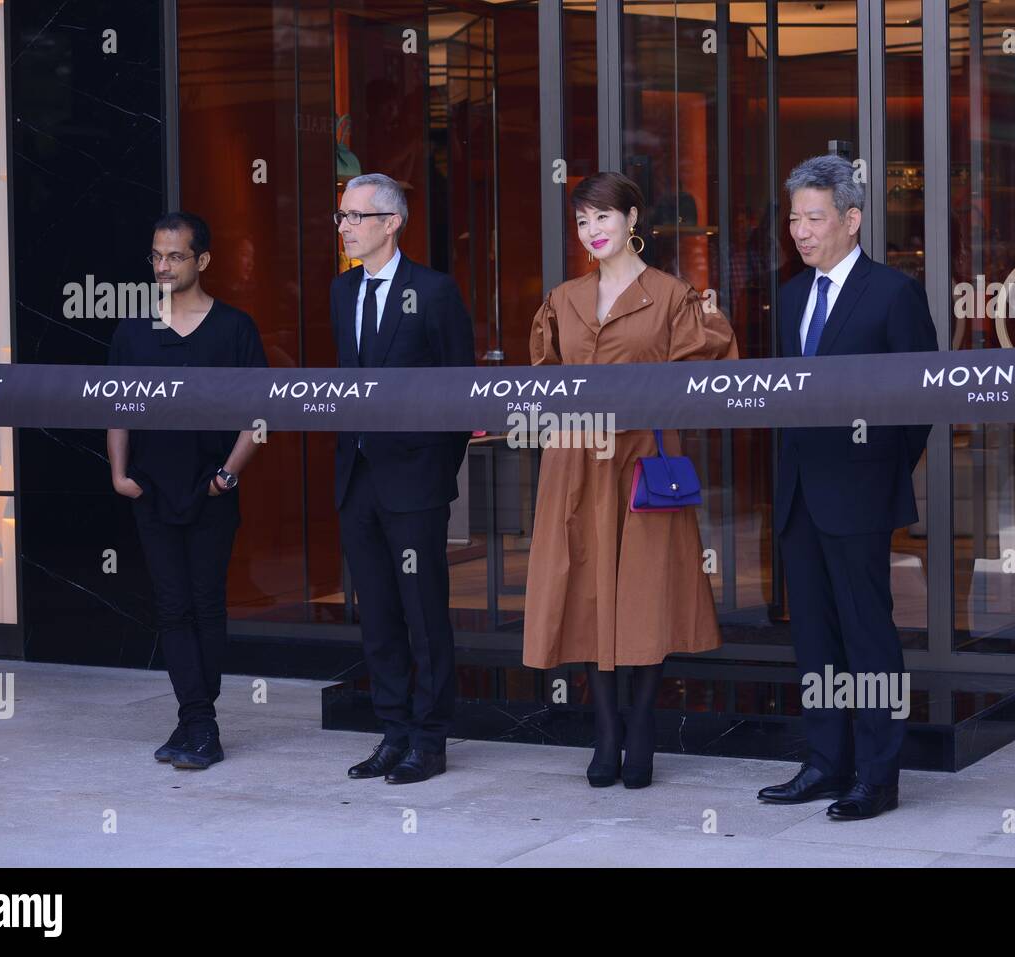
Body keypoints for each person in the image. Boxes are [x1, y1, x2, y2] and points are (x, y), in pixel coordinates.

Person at [524, 171, 738, 789]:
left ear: (633, 219)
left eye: (603, 217)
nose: (592, 230)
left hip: (644, 460)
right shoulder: (562, 299)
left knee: (645, 590)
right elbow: (545, 380)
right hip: (576, 461)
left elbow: (707, 376)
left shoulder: (674, 295)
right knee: (590, 588)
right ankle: (607, 732)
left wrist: (715, 326)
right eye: (582, 220)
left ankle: (641, 725)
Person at [757, 155, 938, 819]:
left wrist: (882, 474)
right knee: (815, 637)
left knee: (868, 636)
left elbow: (918, 400)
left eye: (814, 217)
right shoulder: (791, 295)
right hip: (800, 492)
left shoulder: (893, 292)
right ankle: (825, 762)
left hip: (859, 493)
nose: (800, 231)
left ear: (852, 218)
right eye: (794, 218)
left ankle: (878, 774)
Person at [108, 211, 268, 770]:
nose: (163, 265)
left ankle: (199, 723)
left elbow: (260, 414)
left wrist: (229, 474)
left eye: (175, 255)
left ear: (201, 260)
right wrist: (118, 473)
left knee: (205, 604)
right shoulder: (132, 330)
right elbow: (116, 407)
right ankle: (196, 721)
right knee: (171, 608)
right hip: (150, 489)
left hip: (210, 491)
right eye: (155, 255)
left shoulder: (234, 329)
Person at [332, 173, 476, 785]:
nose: (344, 225)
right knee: (378, 614)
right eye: (341, 215)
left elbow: (459, 392)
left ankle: (431, 738)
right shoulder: (341, 292)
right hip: (357, 476)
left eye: (355, 216)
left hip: (415, 480)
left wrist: (438, 473)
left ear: (391, 223)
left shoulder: (435, 292)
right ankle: (392, 734)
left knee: (423, 613)